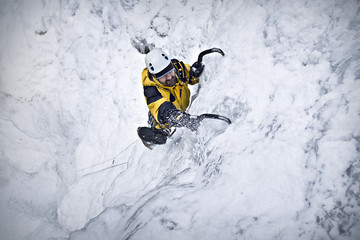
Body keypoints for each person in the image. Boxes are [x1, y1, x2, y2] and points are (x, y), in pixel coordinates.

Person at [137, 48, 205, 148]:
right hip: (164, 118)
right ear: (155, 76)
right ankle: (152, 138)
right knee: (162, 138)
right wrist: (176, 117)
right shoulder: (151, 91)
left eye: (170, 72)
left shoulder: (177, 69)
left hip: (181, 110)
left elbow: (190, 76)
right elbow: (163, 110)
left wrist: (194, 73)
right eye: (163, 76)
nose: (169, 77)